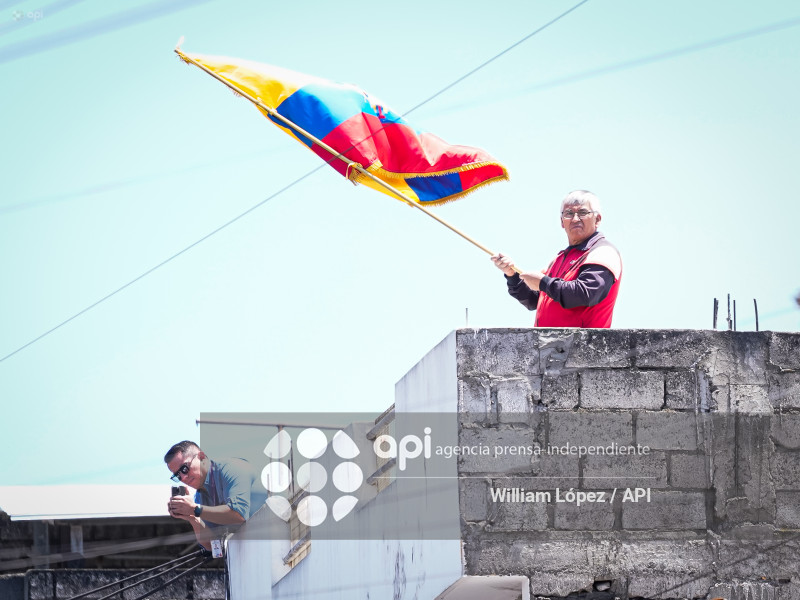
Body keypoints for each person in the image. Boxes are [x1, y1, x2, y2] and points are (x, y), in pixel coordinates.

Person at [491, 190, 622, 328]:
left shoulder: (603, 251)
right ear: (561, 222)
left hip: (581, 346)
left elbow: (586, 294)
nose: (575, 219)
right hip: (549, 346)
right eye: (569, 214)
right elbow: (533, 300)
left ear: (597, 219)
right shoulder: (559, 258)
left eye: (583, 213)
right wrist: (512, 275)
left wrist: (543, 282)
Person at [165, 440, 255, 549]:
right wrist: (192, 517)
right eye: (177, 476)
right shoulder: (199, 497)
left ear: (201, 457)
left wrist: (195, 509)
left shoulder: (233, 468)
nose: (183, 478)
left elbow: (239, 514)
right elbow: (212, 545)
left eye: (184, 469)